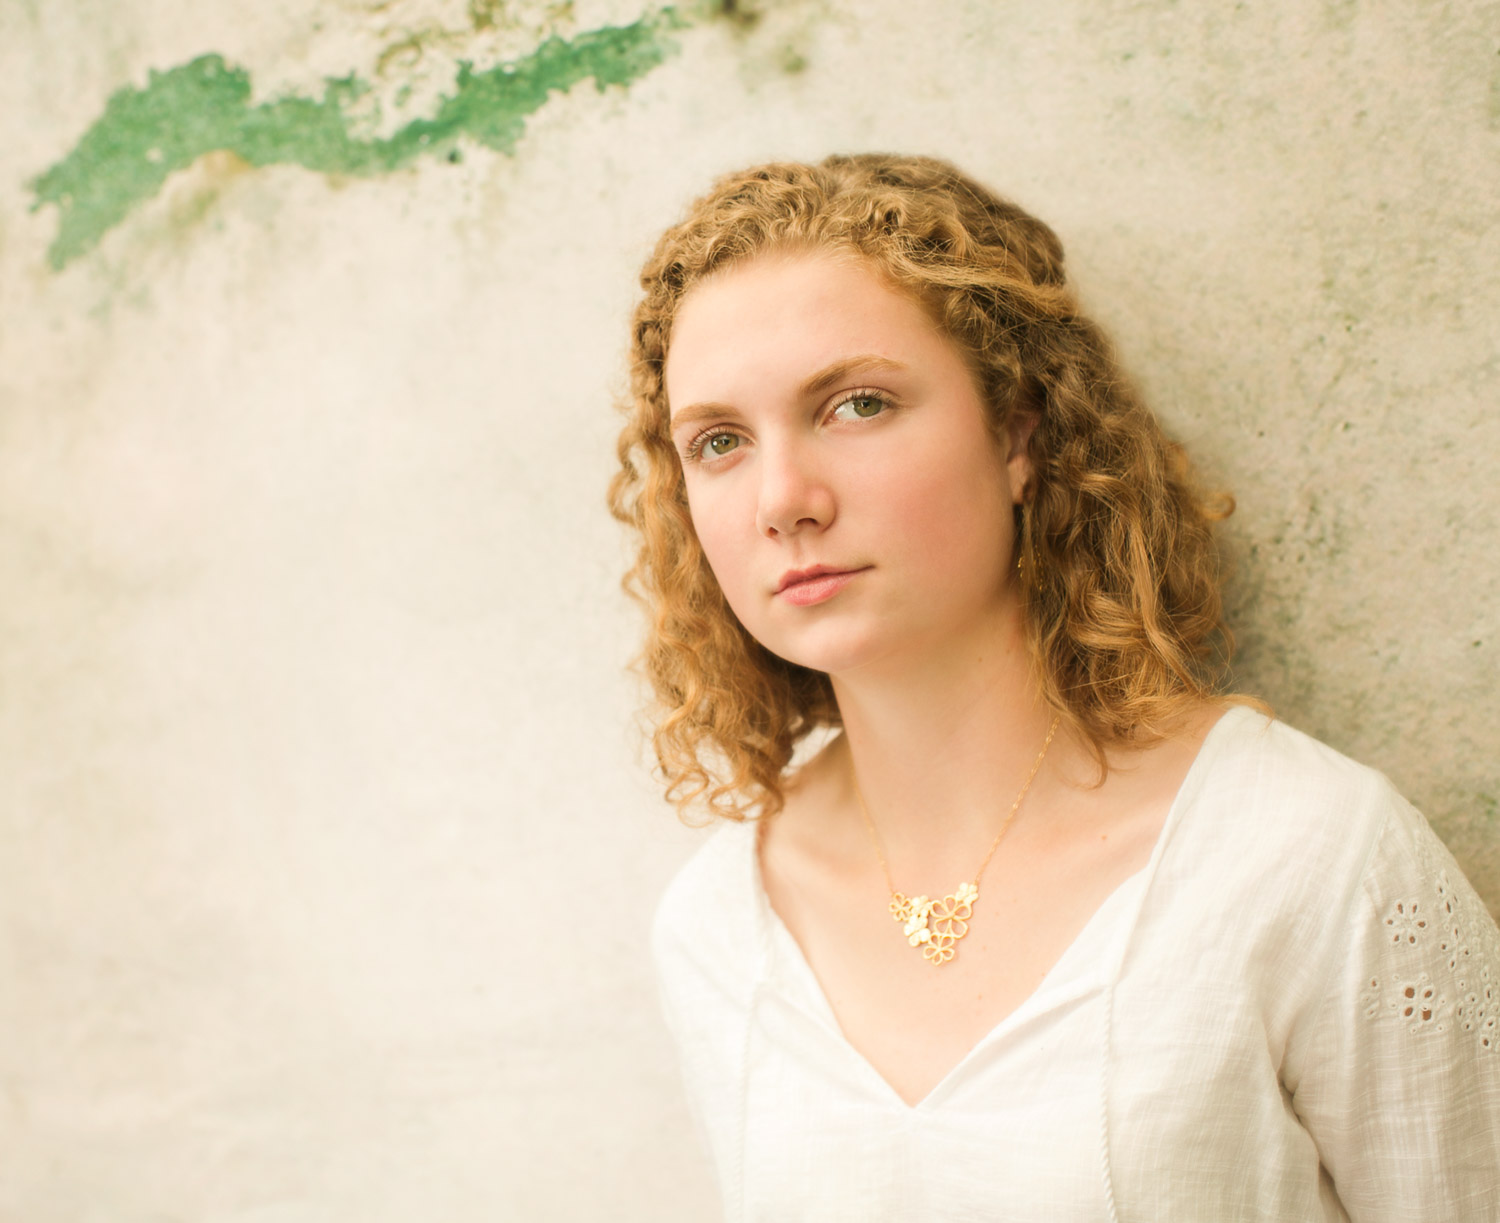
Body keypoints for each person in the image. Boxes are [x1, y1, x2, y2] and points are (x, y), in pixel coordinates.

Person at [608, 153, 1500, 1220]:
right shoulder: (720, 925)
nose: (783, 497)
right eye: (719, 441)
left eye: (856, 404)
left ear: (1021, 432)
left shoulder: (1304, 855)